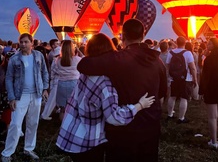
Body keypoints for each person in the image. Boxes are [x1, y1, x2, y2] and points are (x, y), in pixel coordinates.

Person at [77, 19, 167, 162]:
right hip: (150, 125)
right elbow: (162, 93)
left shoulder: (117, 59)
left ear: (122, 37)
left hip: (123, 128)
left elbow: (83, 65)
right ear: (143, 36)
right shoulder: (158, 61)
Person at [56, 33, 155, 162]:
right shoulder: (104, 83)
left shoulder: (85, 74)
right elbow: (114, 117)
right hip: (88, 142)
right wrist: (139, 105)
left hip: (70, 135)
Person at [1, 33, 49, 162]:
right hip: (19, 96)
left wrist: (45, 88)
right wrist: (11, 97)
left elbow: (45, 71)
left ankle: (29, 148)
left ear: (32, 43)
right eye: (21, 42)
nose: (23, 44)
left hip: (36, 94)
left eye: (26, 42)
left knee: (33, 123)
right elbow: (9, 78)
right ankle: (7, 153)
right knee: (15, 124)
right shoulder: (14, 59)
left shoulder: (38, 56)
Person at [199, 38, 218, 149]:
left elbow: (205, 77)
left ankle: (213, 141)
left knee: (213, 117)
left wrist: (201, 90)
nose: (208, 45)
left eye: (210, 44)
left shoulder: (208, 60)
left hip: (212, 89)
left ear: (215, 45)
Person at [166, 36, 197, 123]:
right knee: (184, 98)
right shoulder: (188, 53)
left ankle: (169, 115)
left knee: (172, 97)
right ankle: (181, 118)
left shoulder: (170, 52)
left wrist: (168, 77)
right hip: (185, 79)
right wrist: (195, 79)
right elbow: (193, 68)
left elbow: (167, 66)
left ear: (176, 42)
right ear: (185, 43)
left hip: (173, 78)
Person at [51, 40, 81, 121]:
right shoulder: (77, 59)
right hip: (74, 83)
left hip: (61, 84)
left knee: (63, 109)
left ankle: (63, 125)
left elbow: (55, 70)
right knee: (74, 107)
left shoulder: (58, 60)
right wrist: (78, 51)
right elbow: (85, 60)